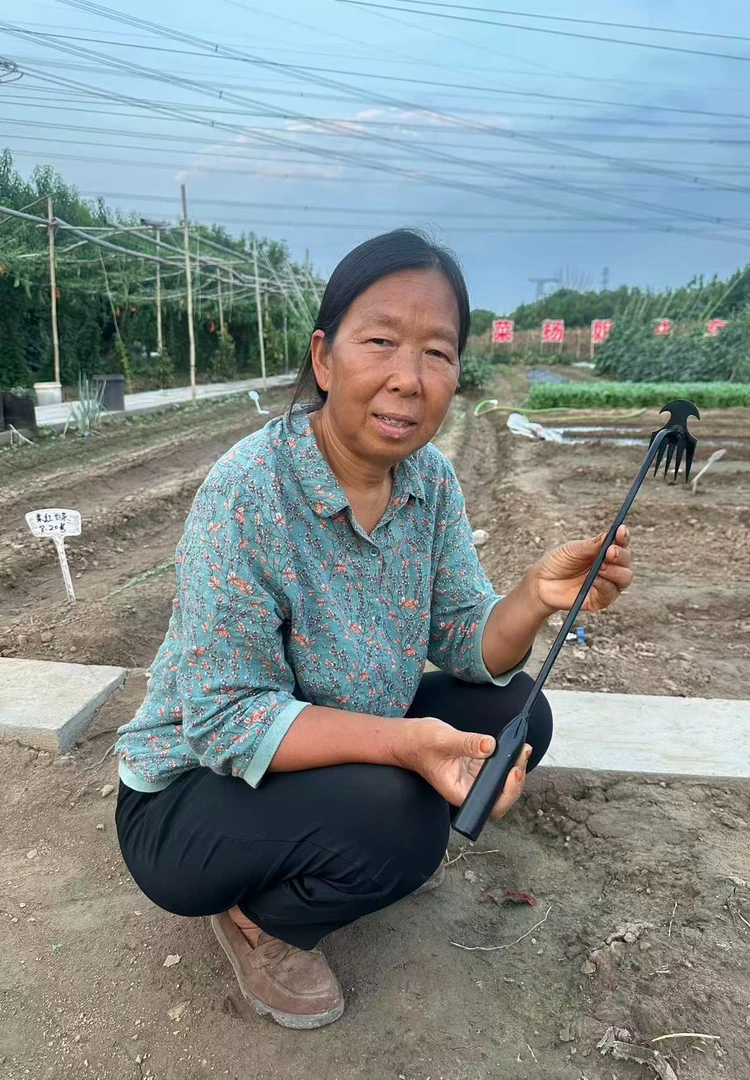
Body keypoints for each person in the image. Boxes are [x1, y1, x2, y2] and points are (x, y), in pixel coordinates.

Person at [114, 229, 633, 1030]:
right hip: (192, 795)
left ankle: (351, 826)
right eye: (382, 341)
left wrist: (535, 595)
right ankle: (260, 921)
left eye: (437, 352)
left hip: (328, 743)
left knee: (518, 712)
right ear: (326, 359)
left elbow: (465, 638)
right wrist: (404, 745)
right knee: (402, 816)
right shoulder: (248, 493)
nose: (408, 378)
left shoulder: (429, 481)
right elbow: (226, 720)